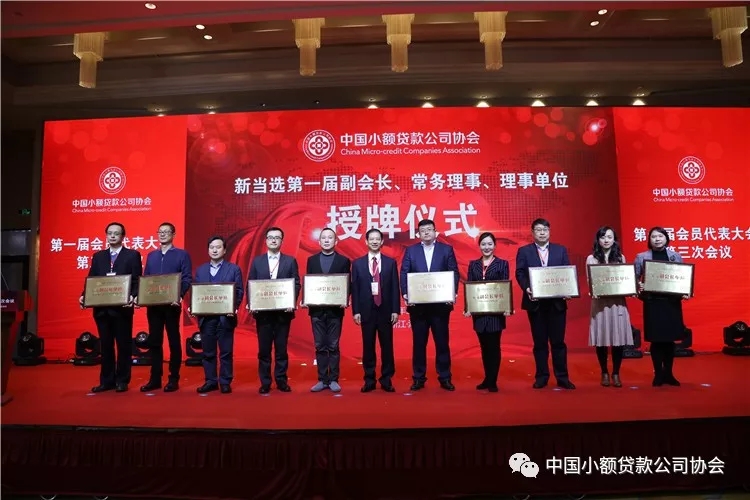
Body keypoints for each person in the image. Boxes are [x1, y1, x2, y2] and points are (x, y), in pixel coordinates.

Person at [79, 222, 142, 393]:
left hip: (122, 308)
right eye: (110, 233)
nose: (113, 236)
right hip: (102, 309)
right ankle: (106, 381)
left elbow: (137, 280)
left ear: (123, 236)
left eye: (116, 233)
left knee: (123, 345)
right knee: (105, 346)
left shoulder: (132, 255)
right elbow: (92, 279)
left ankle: (122, 380)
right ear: (106, 235)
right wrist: (84, 295)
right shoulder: (98, 256)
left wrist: (133, 296)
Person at [515, 218, 576, 389]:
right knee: (540, 342)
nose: (542, 233)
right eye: (538, 230)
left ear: (549, 231)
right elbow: (520, 273)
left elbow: (566, 272)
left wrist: (569, 289)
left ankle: (562, 377)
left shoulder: (560, 250)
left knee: (558, 342)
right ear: (532, 232)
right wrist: (527, 288)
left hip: (557, 304)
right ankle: (541, 376)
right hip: (535, 304)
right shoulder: (524, 251)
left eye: (545, 230)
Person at [400, 219, 460, 391]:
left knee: (442, 343)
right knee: (419, 343)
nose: (426, 232)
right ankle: (418, 378)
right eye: (423, 230)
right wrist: (406, 293)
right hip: (418, 307)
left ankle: (445, 377)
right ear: (418, 234)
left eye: (429, 229)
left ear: (435, 231)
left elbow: (453, 272)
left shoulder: (446, 250)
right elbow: (404, 273)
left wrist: (452, 293)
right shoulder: (411, 251)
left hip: (440, 306)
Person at [139, 222, 193, 393]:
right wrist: (143, 296)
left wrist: (179, 295)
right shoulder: (152, 255)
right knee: (155, 341)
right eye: (160, 232)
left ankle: (173, 378)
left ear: (173, 234)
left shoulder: (181, 255)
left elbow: (186, 278)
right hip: (154, 306)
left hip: (171, 305)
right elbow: (146, 279)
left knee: (173, 340)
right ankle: (155, 379)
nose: (162, 234)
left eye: (166, 231)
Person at [248, 227, 301, 394]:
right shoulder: (257, 261)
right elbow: (251, 283)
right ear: (266, 240)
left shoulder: (290, 261)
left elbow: (296, 283)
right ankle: (265, 382)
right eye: (270, 237)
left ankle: (281, 380)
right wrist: (252, 303)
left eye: (277, 238)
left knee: (281, 349)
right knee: (264, 350)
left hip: (282, 313)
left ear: (282, 241)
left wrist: (291, 301)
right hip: (263, 314)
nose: (273, 240)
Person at [634, 226, 688, 387]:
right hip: (653, 303)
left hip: (671, 303)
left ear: (666, 238)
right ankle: (658, 374)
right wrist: (639, 286)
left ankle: (669, 374)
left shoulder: (675, 256)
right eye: (653, 237)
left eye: (660, 236)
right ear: (649, 240)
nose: (657, 239)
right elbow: (634, 278)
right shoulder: (641, 257)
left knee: (670, 340)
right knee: (656, 340)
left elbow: (682, 277)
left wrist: (685, 290)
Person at [191, 236, 244, 394]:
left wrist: (233, 306)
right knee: (208, 352)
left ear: (225, 250)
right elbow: (197, 292)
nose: (214, 250)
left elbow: (239, 291)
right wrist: (195, 305)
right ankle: (211, 381)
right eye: (212, 247)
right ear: (208, 250)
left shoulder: (233, 269)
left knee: (226, 352)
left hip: (225, 317)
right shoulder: (201, 270)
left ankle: (225, 381)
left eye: (218, 247)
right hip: (206, 318)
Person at [351, 228, 400, 393]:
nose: (374, 241)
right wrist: (356, 311)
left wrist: (395, 310)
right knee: (368, 347)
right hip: (366, 311)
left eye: (377, 239)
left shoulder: (390, 263)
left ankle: (386, 379)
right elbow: (355, 289)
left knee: (387, 347)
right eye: (371, 239)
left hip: (385, 311)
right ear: (366, 241)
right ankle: (369, 379)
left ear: (382, 241)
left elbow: (395, 287)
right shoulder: (357, 264)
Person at [585, 226, 633, 388]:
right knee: (601, 339)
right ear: (598, 239)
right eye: (603, 237)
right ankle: (604, 372)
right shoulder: (591, 259)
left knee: (618, 340)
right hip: (599, 304)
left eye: (609, 237)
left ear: (614, 240)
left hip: (617, 303)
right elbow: (590, 281)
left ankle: (616, 373)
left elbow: (625, 280)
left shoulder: (620, 257)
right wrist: (594, 291)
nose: (606, 240)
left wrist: (630, 288)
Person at [305, 228, 351, 393]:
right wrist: (307, 299)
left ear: (336, 241)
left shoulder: (343, 260)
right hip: (316, 310)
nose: (326, 240)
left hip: (335, 311)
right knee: (319, 345)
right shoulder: (311, 260)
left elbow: (347, 283)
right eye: (323, 238)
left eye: (330, 237)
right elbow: (309, 283)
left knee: (333, 345)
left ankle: (333, 379)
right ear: (319, 241)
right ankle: (322, 379)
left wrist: (344, 298)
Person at [464, 232, 510, 392]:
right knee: (484, 346)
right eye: (483, 244)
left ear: (495, 246)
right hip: (479, 313)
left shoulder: (502, 264)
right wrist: (468, 308)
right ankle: (487, 378)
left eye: (490, 244)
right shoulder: (473, 265)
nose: (487, 247)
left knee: (494, 346)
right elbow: (469, 287)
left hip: (495, 312)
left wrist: (506, 307)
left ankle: (492, 380)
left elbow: (504, 287)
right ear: (479, 246)